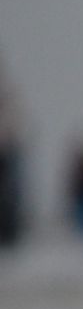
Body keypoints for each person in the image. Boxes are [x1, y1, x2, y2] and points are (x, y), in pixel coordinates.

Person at [0, 56, 25, 249]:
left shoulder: (9, 96)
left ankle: (10, 237)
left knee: (8, 198)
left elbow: (17, 125)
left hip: (7, 153)